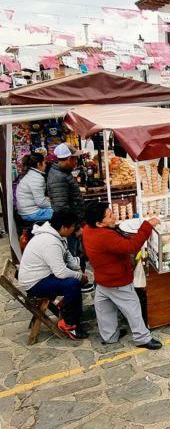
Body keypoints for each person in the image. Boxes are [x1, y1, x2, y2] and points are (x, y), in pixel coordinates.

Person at [82, 201, 162, 349]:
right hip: (117, 279)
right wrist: (147, 225)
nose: (114, 217)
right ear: (99, 223)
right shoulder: (104, 236)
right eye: (110, 216)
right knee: (133, 308)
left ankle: (110, 336)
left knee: (104, 308)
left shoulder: (88, 229)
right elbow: (131, 247)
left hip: (102, 278)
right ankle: (142, 338)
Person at [17, 212, 90, 340]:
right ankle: (69, 323)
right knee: (72, 283)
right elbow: (60, 272)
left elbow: (68, 256)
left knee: (76, 276)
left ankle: (67, 308)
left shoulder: (58, 235)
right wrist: (79, 276)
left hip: (44, 276)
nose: (74, 229)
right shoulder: (50, 242)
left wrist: (79, 271)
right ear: (63, 227)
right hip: (35, 283)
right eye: (73, 226)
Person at [47, 143, 92, 291]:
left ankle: (80, 280)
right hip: (69, 225)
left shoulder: (62, 173)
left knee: (76, 254)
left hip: (72, 223)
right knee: (73, 255)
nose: (76, 162)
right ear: (67, 159)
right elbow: (62, 207)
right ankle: (77, 284)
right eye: (74, 159)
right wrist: (76, 228)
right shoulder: (58, 177)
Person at [15, 152, 54, 222]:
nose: (45, 165)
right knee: (62, 213)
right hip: (31, 213)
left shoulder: (31, 174)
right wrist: (56, 205)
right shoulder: (36, 178)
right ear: (39, 164)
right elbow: (41, 202)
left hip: (27, 211)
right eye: (44, 162)